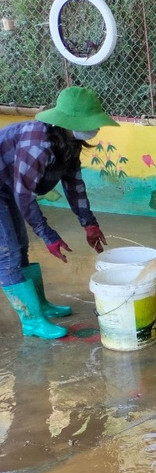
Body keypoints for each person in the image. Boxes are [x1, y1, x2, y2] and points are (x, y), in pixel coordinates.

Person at [0, 86, 118, 339]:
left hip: (8, 187)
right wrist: (48, 235)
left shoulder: (70, 142)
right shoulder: (38, 145)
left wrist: (89, 223)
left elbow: (74, 184)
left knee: (20, 246)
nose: (95, 128)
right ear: (69, 121)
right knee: (8, 252)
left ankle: (39, 306)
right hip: (8, 189)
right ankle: (31, 321)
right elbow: (25, 196)